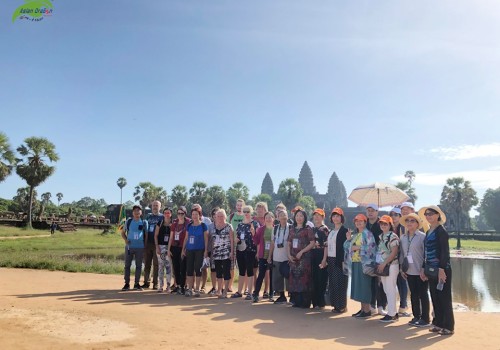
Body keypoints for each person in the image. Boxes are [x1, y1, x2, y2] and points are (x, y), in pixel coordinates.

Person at [419, 205, 454, 336]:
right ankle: (438, 323)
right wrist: (423, 268)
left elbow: (445, 252)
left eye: (431, 214)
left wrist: (441, 269)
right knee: (435, 297)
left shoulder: (441, 231)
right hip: (431, 269)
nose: (428, 216)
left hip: (442, 270)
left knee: (444, 298)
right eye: (427, 214)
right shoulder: (428, 231)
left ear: (438, 215)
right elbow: (426, 252)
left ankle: (449, 326)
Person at [344, 214, 377, 319]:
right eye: (356, 221)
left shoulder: (368, 234)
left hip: (364, 263)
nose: (358, 223)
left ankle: (367, 310)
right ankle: (362, 308)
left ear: (365, 222)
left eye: (361, 221)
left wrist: (357, 247)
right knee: (358, 286)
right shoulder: (356, 234)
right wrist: (349, 239)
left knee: (364, 286)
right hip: (355, 262)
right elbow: (346, 247)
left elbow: (372, 248)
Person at [400, 213, 430, 327]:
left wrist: (424, 268)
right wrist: (402, 269)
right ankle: (416, 316)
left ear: (417, 224)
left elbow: (426, 254)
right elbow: (402, 254)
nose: (409, 223)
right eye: (408, 221)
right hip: (409, 270)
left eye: (412, 221)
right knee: (413, 294)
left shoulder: (422, 237)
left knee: (423, 294)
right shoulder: (403, 237)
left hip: (420, 271)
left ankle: (425, 318)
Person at [320, 207, 348, 313]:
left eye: (338, 216)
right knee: (333, 283)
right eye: (334, 216)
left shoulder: (344, 231)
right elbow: (327, 246)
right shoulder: (331, 232)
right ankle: (336, 305)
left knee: (341, 283)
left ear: (341, 218)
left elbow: (346, 247)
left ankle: (342, 306)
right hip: (331, 259)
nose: (336, 218)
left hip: (340, 260)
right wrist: (324, 259)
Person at [287, 209, 315, 308]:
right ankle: (296, 301)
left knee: (304, 279)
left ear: (304, 218)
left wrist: (302, 251)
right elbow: (289, 243)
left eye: (301, 216)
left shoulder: (308, 229)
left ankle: (305, 302)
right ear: (295, 217)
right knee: (294, 279)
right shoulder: (292, 229)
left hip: (304, 258)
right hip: (294, 257)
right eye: (297, 216)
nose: (299, 218)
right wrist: (289, 255)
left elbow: (312, 243)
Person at [376, 215, 400, 323]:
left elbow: (394, 252)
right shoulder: (381, 236)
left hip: (391, 265)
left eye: (385, 224)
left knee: (390, 289)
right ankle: (392, 312)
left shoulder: (392, 236)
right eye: (381, 223)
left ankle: (392, 314)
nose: (383, 225)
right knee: (386, 289)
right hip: (383, 265)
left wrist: (384, 263)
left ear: (390, 225)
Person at [231, 205, 257, 300]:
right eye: (244, 211)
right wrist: (236, 239)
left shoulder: (254, 224)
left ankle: (249, 293)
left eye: (248, 211)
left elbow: (257, 238)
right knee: (241, 271)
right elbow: (236, 236)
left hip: (250, 250)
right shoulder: (240, 225)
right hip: (240, 250)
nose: (246, 213)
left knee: (250, 271)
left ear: (251, 213)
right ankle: (239, 291)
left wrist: (254, 233)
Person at [182, 207, 209, 297]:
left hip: (199, 250)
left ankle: (197, 289)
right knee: (189, 269)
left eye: (196, 214)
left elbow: (206, 239)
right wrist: (183, 249)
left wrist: (206, 251)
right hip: (190, 250)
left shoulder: (203, 226)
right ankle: (190, 289)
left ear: (199, 215)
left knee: (198, 269)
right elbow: (186, 238)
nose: (194, 216)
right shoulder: (189, 225)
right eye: (193, 214)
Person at [366, 203, 387, 315]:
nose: (370, 212)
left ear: (377, 212)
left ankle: (381, 305)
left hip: (380, 256)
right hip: (368, 258)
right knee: (370, 282)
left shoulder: (382, 224)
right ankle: (371, 304)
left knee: (381, 282)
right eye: (368, 210)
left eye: (373, 210)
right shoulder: (365, 224)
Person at [121, 205, 148, 291]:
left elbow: (146, 235)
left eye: (138, 210)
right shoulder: (128, 221)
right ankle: (127, 284)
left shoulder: (144, 222)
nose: (137, 212)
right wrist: (125, 240)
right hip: (129, 247)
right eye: (135, 210)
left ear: (141, 212)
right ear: (133, 212)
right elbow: (122, 233)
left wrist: (145, 245)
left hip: (140, 247)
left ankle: (136, 284)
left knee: (139, 266)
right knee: (127, 265)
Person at [390, 207, 410, 317]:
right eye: (392, 215)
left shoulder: (404, 229)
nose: (393, 217)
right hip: (391, 260)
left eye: (396, 215)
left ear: (400, 217)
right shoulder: (388, 228)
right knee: (393, 283)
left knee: (402, 283)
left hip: (401, 259)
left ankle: (403, 306)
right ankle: (392, 306)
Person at [269, 210, 291, 304]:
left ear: (288, 216)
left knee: (289, 277)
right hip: (277, 256)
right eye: (280, 215)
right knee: (277, 277)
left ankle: (292, 296)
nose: (282, 217)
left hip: (287, 257)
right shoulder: (275, 229)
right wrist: (270, 256)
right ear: (277, 218)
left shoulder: (291, 228)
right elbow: (272, 243)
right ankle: (282, 296)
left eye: (284, 215)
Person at [211, 209, 234, 299]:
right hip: (217, 253)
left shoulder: (229, 226)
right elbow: (213, 241)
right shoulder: (214, 227)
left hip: (226, 253)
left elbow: (232, 240)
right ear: (215, 217)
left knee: (226, 272)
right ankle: (219, 290)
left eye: (221, 216)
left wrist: (232, 252)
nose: (220, 218)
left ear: (225, 217)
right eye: (218, 216)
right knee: (218, 273)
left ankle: (225, 291)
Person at [253, 211, 275, 302]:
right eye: (267, 218)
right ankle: (256, 294)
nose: (268, 219)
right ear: (264, 219)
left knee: (271, 275)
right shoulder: (261, 229)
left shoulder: (276, 229)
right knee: (261, 274)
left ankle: (271, 294)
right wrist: (253, 233)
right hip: (263, 255)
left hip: (273, 256)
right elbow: (256, 241)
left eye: (270, 217)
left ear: (273, 219)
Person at [168, 206, 189, 295]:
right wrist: (168, 249)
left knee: (183, 267)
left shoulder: (188, 222)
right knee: (176, 267)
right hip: (174, 247)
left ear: (185, 214)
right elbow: (171, 237)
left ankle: (183, 286)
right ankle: (178, 286)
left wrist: (184, 249)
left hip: (183, 248)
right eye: (179, 213)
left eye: (182, 213)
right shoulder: (174, 223)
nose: (180, 215)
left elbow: (187, 237)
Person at [310, 208, 329, 309]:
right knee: (314, 278)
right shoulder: (312, 229)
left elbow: (326, 245)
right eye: (315, 215)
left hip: (321, 254)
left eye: (319, 215)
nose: (316, 217)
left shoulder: (324, 229)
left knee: (321, 278)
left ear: (322, 217)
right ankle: (315, 302)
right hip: (312, 254)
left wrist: (324, 259)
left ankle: (321, 302)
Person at [142, 200, 163, 289]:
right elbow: (143, 229)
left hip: (157, 244)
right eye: (153, 205)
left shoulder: (162, 217)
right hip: (148, 243)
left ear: (160, 207)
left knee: (156, 264)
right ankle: (146, 282)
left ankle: (155, 283)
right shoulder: (148, 216)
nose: (155, 207)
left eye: (156, 205)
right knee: (147, 263)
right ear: (151, 206)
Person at [192, 204, 212, 294]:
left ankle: (203, 287)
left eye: (197, 209)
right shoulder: (191, 221)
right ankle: (194, 286)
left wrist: (206, 249)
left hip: (204, 248)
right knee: (194, 268)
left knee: (204, 268)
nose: (195, 211)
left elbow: (208, 235)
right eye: (193, 210)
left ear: (200, 211)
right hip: (194, 248)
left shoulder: (207, 220)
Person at [228, 199, 245, 292]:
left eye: (241, 205)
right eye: (238, 205)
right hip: (233, 244)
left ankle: (245, 288)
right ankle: (230, 286)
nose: (239, 207)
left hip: (244, 244)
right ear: (236, 206)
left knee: (243, 266)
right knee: (232, 266)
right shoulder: (231, 217)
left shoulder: (246, 216)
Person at [155, 207, 173, 293]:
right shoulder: (160, 223)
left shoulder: (173, 223)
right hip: (160, 247)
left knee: (169, 267)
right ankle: (160, 286)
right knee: (161, 267)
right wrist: (157, 247)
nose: (167, 214)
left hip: (169, 247)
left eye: (168, 213)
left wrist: (169, 249)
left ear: (171, 214)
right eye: (165, 212)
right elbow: (155, 235)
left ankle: (168, 286)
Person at [205, 207, 219, 295]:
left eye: (218, 214)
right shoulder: (209, 226)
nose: (216, 216)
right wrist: (206, 250)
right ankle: (214, 287)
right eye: (214, 214)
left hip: (222, 252)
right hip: (212, 252)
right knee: (213, 270)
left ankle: (221, 288)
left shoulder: (226, 225)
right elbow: (207, 239)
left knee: (221, 270)